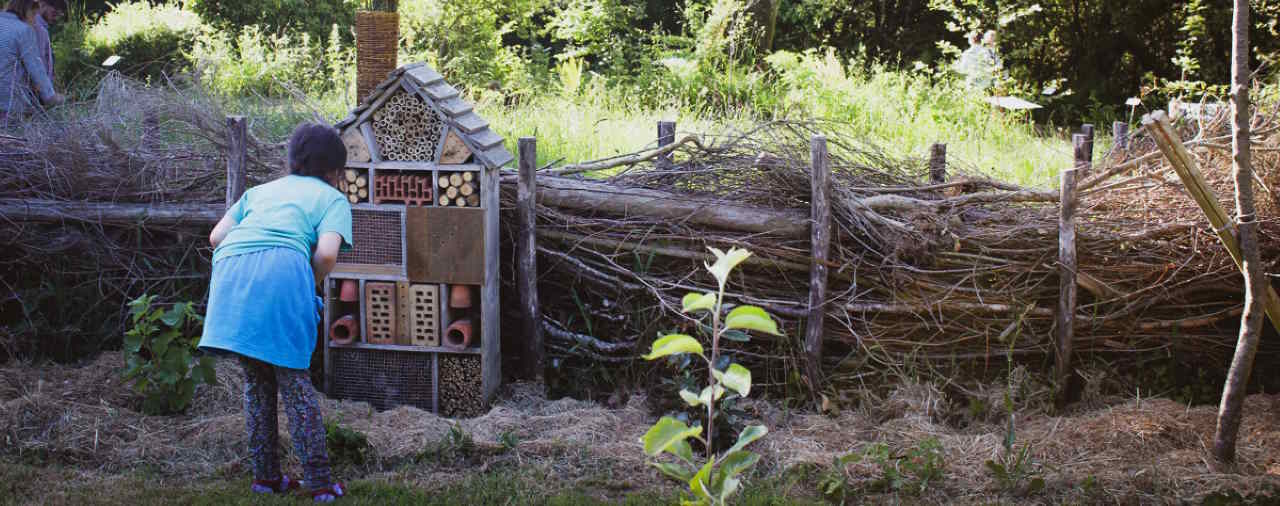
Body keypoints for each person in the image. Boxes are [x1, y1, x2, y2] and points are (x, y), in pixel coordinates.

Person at [199, 123, 353, 502]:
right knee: (296, 385)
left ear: (292, 161)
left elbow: (216, 237)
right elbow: (328, 254)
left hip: (231, 273)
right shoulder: (332, 199)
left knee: (257, 383)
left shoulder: (260, 192)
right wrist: (308, 285)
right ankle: (320, 483)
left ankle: (266, 478)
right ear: (335, 170)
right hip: (283, 273)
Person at [0, 0, 62, 120]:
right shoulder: (24, 30)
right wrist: (51, 97)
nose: (34, 21)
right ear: (28, 10)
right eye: (34, 15)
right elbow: (36, 68)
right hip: (9, 101)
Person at [32, 0, 62, 85]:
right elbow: (38, 64)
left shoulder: (41, 27)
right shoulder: (37, 27)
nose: (57, 16)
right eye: (54, 11)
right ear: (42, 4)